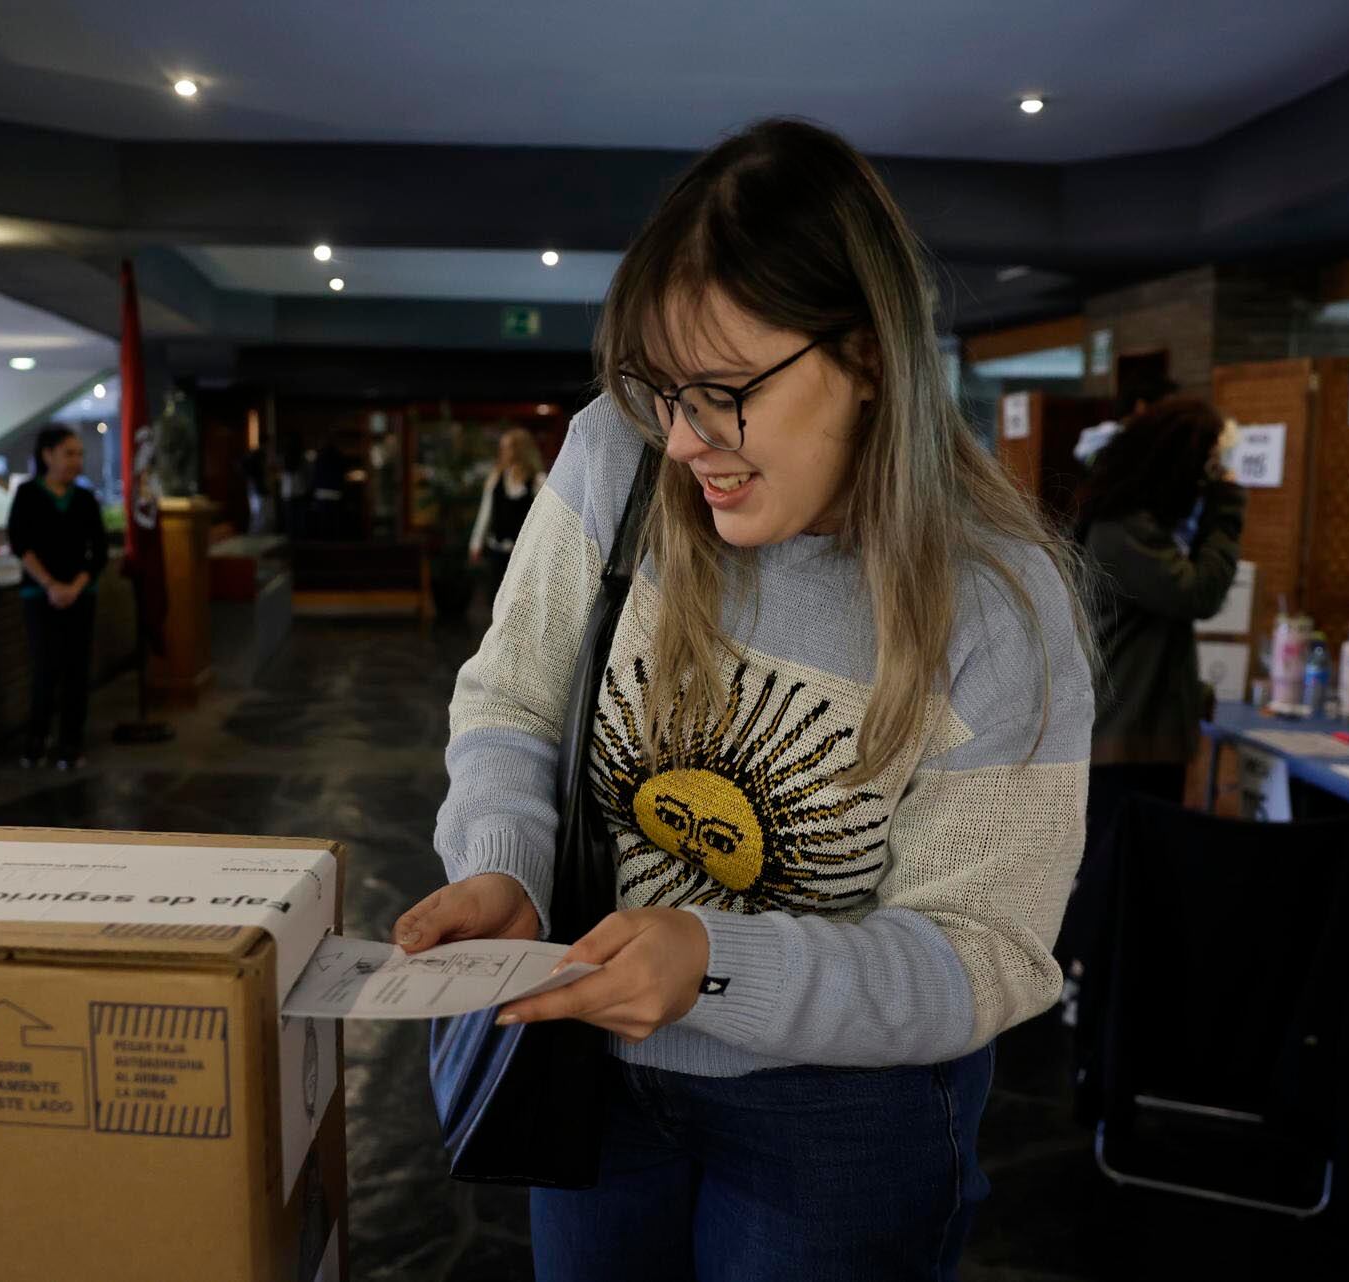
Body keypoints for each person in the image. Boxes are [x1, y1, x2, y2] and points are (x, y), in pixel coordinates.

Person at [393, 119, 1093, 1280]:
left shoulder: (998, 603)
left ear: (867, 356)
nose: (681, 439)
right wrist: (506, 866)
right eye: (659, 387)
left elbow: (986, 951)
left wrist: (714, 962)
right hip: (596, 1071)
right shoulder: (616, 463)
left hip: (844, 1121)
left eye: (722, 392)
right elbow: (512, 698)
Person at [1056, 398, 1242, 1051]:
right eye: (1205, 467)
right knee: (1112, 872)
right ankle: (1082, 990)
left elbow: (1147, 632)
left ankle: (1101, 988)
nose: (1207, 480)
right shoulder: (1120, 528)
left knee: (1123, 870)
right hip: (1123, 740)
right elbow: (1198, 593)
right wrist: (1228, 506)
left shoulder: (1128, 525)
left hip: (1139, 733)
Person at [7, 426, 106, 769]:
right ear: (47, 455)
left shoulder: (85, 499)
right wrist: (50, 584)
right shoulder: (27, 495)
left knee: (77, 669)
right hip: (39, 594)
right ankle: (36, 740)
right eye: (69, 453)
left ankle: (71, 744)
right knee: (44, 667)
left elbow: (99, 552)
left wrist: (75, 586)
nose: (76, 461)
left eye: (80, 454)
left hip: (81, 594)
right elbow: (21, 544)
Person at [467, 426, 547, 596]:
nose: (502, 452)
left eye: (507, 447)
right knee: (496, 598)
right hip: (498, 550)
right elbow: (485, 513)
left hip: (524, 556)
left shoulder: (537, 481)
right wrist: (476, 543)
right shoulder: (496, 478)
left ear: (520, 450)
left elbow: (544, 520)